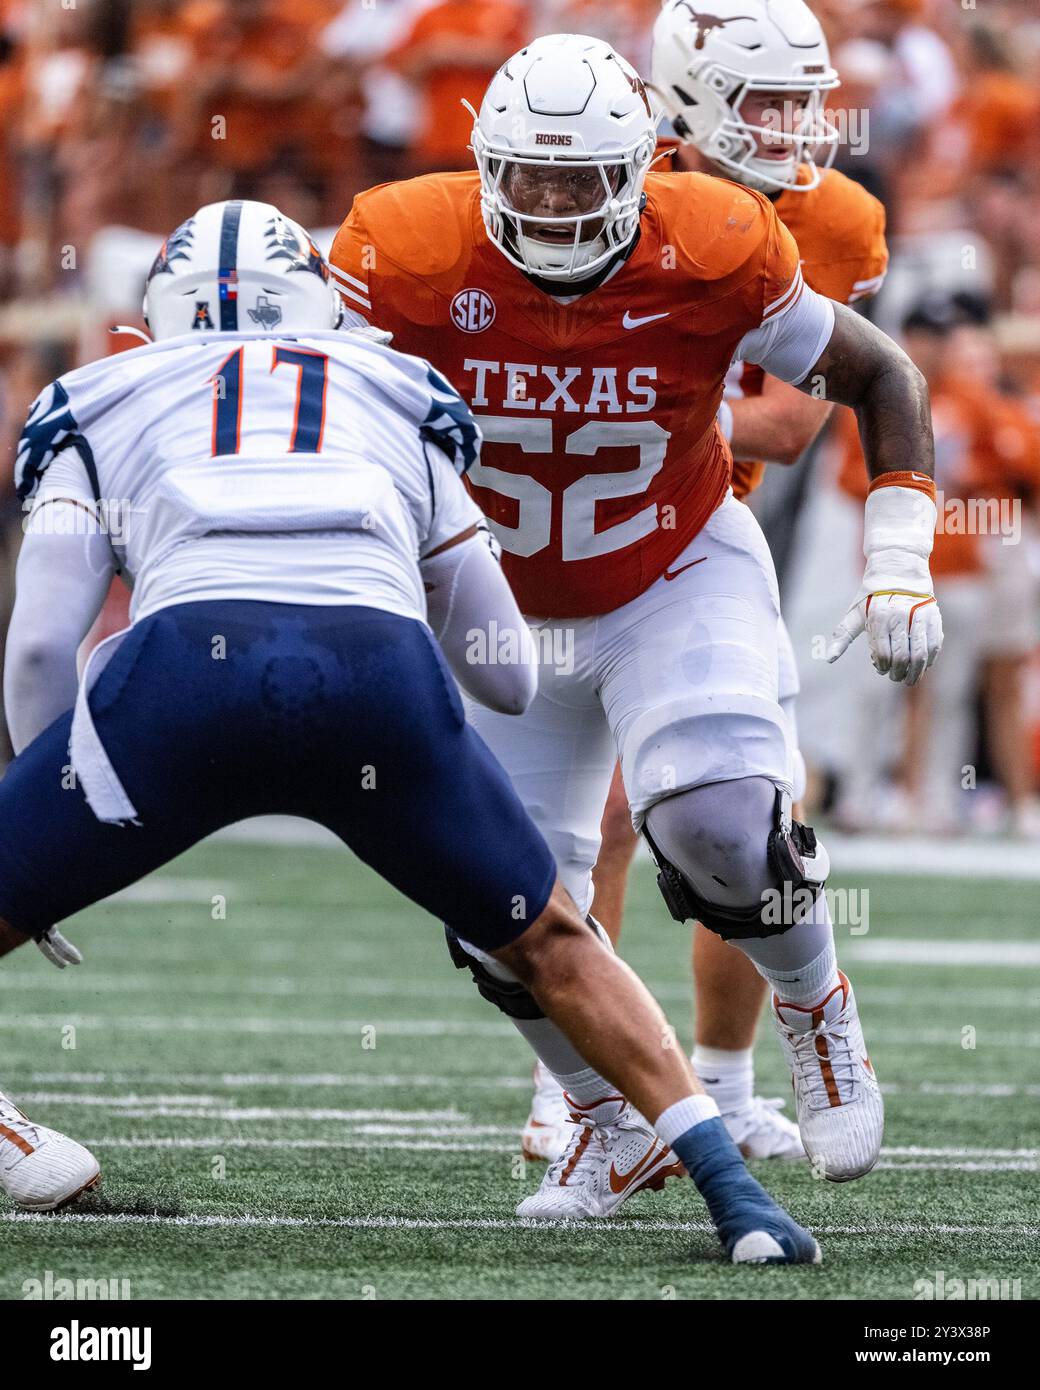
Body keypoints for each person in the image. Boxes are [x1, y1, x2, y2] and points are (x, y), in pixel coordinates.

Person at [0, 197, 823, 1265]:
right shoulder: (395, 387)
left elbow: (34, 647)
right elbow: (502, 667)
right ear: (321, 307)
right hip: (373, 677)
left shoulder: (95, 394)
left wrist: (57, 816)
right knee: (551, 942)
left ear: (155, 316)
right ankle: (738, 1201)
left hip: (180, 683)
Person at [330, 29, 942, 1219]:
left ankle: (816, 1012)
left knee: (718, 824)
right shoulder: (402, 248)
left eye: (580, 180)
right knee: (491, 910)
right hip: (495, 599)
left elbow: (881, 376)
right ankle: (610, 1122)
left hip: (670, 562)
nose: (554, 203)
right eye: (530, 176)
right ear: (481, 164)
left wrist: (897, 559)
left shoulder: (715, 243)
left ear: (638, 174)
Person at [581, 0, 891, 1169]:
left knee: (742, 810)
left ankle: (719, 1076)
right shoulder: (607, 177)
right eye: (762, 98)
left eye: (801, 96)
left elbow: (790, 419)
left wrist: (650, 396)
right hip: (565, 523)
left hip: (702, 527)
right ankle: (585, 1096)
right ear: (687, 94)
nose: (791, 123)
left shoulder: (832, 215)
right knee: (585, 820)